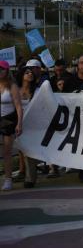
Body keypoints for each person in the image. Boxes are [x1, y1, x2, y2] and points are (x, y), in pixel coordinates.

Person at [0, 60, 23, 191]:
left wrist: (19, 123)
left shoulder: (12, 86)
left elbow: (19, 106)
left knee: (7, 151)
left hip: (8, 120)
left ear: (7, 71)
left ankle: (8, 179)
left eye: (2, 69)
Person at [16, 66, 38, 187]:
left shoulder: (37, 91)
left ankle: (30, 178)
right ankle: (26, 174)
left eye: (31, 73)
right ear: (21, 75)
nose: (30, 74)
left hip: (33, 125)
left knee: (29, 150)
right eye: (27, 72)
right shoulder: (16, 90)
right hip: (18, 124)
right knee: (21, 150)